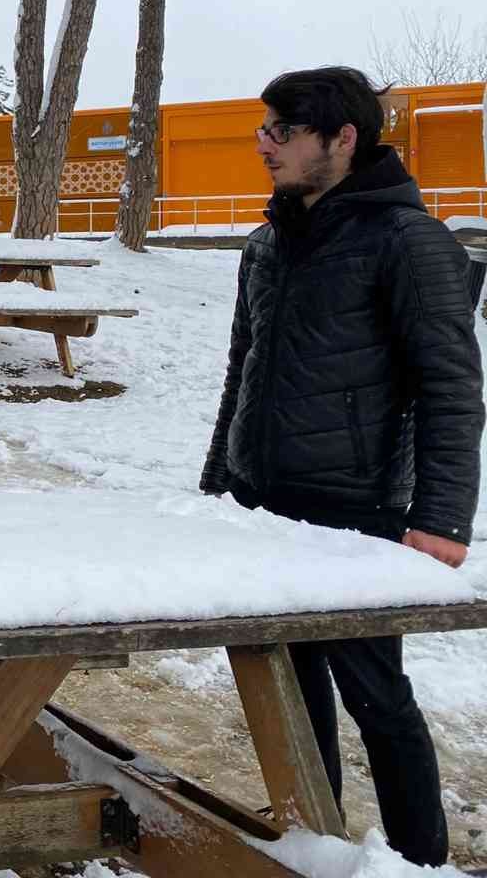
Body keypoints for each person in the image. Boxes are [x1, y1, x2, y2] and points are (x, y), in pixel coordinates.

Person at [202, 65, 481, 866]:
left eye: (281, 132)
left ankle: (420, 857)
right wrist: (221, 480)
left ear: (343, 139)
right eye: (264, 130)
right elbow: (243, 368)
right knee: (289, 689)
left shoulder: (409, 240)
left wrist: (441, 518)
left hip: (354, 508)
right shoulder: (268, 241)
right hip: (265, 500)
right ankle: (310, 835)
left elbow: (452, 384)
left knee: (377, 696)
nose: (265, 145)